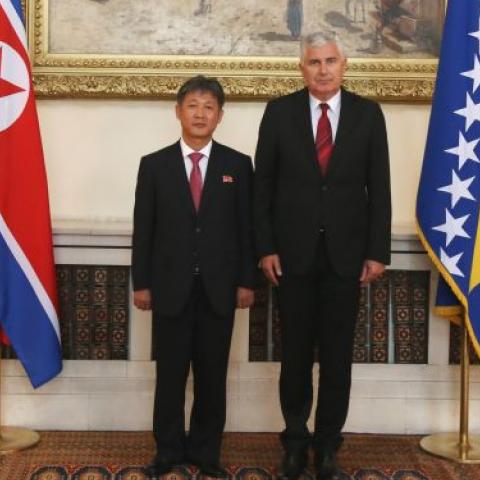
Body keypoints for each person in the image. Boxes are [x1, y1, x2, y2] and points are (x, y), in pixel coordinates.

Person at [253, 32, 392, 480]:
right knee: (294, 356)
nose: (324, 69)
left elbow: (380, 188)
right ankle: (295, 443)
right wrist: (266, 247)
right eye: (314, 62)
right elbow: (262, 188)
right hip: (291, 258)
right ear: (302, 68)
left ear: (344, 65)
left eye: (331, 60)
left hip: (346, 259)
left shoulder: (368, 115)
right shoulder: (279, 113)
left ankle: (328, 446)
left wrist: (377, 251)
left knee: (336, 359)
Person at [132, 76, 256, 478]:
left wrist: (246, 281)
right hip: (170, 289)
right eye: (192, 105)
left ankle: (206, 452)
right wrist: (142, 283)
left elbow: (247, 229)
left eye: (209, 107)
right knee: (170, 375)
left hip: (220, 290)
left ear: (220, 116)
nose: (200, 114)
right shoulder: (154, 165)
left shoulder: (238, 165)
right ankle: (167, 451)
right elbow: (144, 229)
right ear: (178, 111)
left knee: (212, 375)